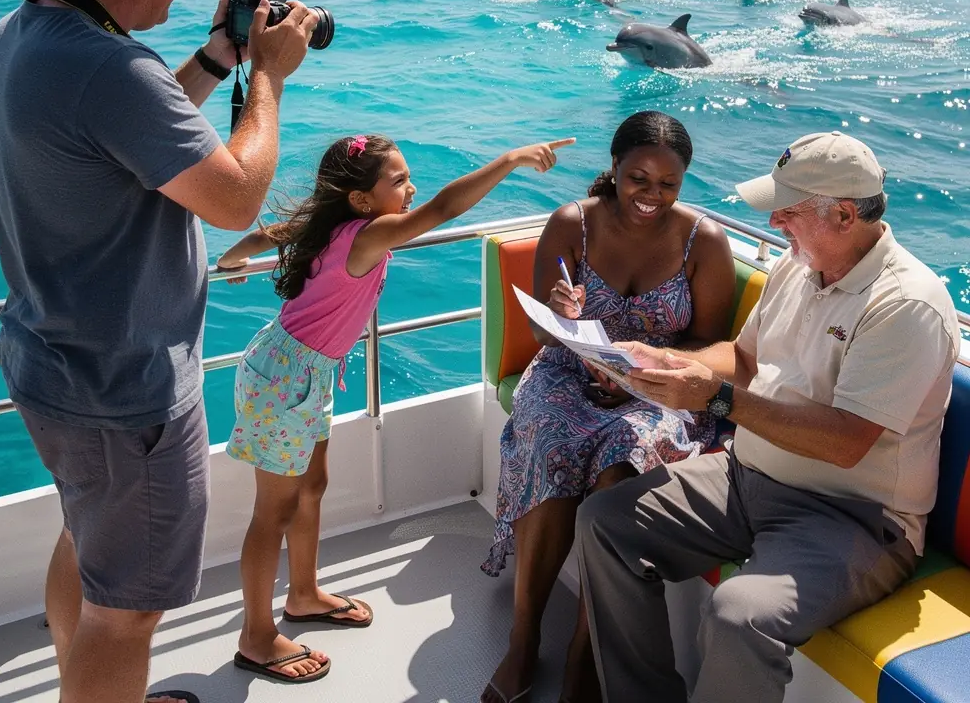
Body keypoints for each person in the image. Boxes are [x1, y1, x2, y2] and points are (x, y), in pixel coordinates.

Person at [0, 0, 321, 703]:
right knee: (124, 617)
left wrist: (210, 59)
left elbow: (127, 132)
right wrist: (267, 78)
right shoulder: (112, 70)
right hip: (125, 392)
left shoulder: (23, 36)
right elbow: (235, 200)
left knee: (91, 559)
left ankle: (90, 688)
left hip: (50, 363)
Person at [576, 131, 962, 703]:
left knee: (740, 615)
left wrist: (715, 399)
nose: (776, 222)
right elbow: (743, 356)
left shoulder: (904, 304)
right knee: (605, 522)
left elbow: (846, 443)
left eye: (790, 210)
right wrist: (659, 359)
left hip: (853, 518)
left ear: (846, 215)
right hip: (745, 475)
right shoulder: (799, 264)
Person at [214, 132, 575, 684]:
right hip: (286, 379)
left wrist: (242, 249)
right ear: (361, 200)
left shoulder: (341, 226)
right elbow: (444, 208)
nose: (411, 189)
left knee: (312, 487)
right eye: (399, 181)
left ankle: (305, 593)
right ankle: (256, 637)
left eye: (408, 178)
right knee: (273, 513)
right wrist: (508, 160)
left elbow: (286, 231)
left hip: (300, 371)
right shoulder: (372, 232)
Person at [481, 111, 737, 703]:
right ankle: (523, 643)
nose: (651, 194)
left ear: (683, 183)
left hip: (660, 388)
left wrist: (642, 374)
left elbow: (709, 345)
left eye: (667, 184)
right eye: (637, 178)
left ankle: (582, 654)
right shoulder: (572, 223)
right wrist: (562, 315)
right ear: (615, 170)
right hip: (569, 370)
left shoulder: (706, 243)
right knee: (549, 440)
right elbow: (545, 333)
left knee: (623, 465)